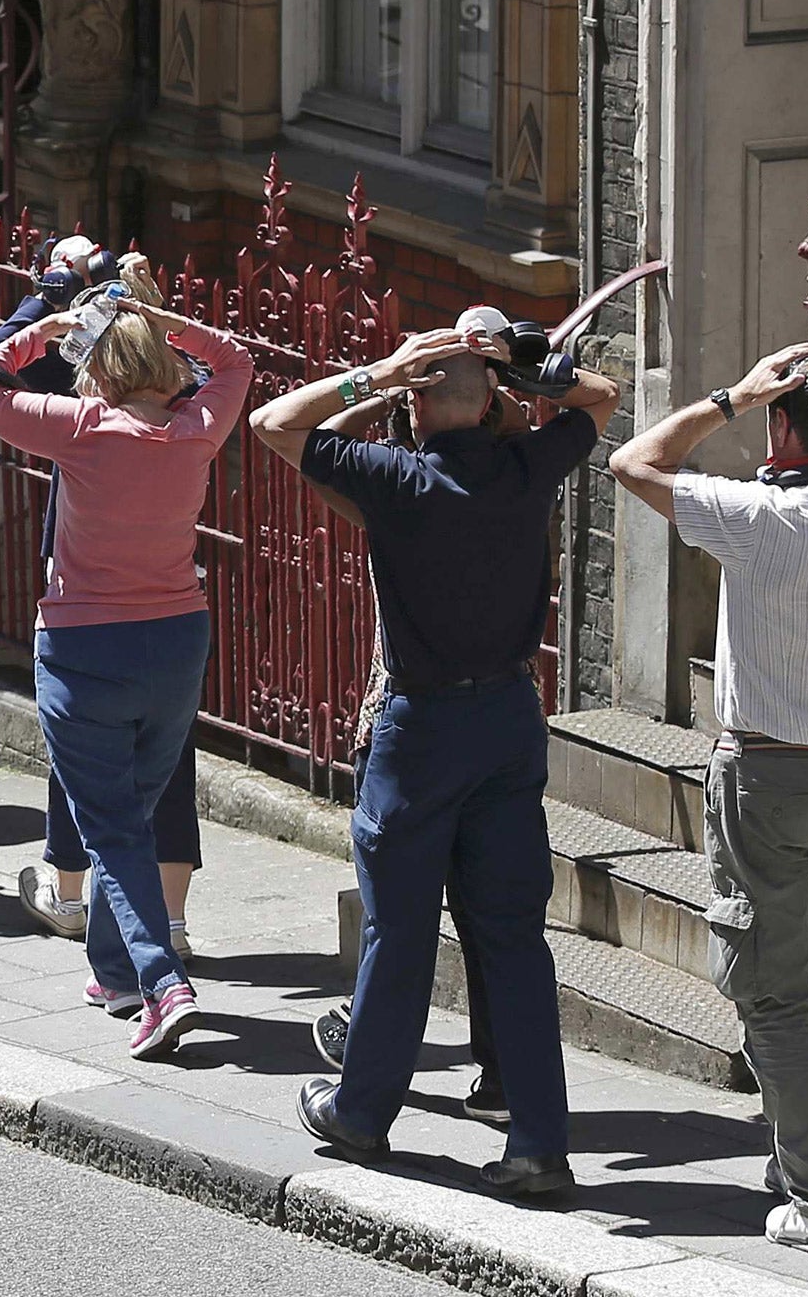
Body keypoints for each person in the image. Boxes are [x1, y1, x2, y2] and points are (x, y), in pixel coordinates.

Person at [249, 319, 621, 1197]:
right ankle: (537, 1142)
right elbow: (601, 398)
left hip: (420, 733)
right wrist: (512, 368)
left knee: (401, 930)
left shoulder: (397, 478)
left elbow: (274, 422)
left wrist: (379, 374)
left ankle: (363, 1111)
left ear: (414, 405)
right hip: (508, 718)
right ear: (491, 398)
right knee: (515, 940)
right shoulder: (531, 468)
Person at [610, 343, 808, 1255]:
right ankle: (799, 1157)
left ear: (781, 422)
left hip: (770, 776)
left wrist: (731, 396)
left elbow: (634, 461)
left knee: (766, 988)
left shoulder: (756, 516)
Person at [0, 294, 254, 1059]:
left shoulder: (80, 429)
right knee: (136, 813)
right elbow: (239, 360)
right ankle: (117, 972)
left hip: (87, 649)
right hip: (178, 640)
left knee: (111, 828)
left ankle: (163, 983)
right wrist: (163, 318)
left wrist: (36, 335)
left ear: (102, 369)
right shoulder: (196, 429)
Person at [6, 246, 205, 957]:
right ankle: (168, 925)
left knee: (86, 767)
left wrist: (47, 302)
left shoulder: (84, 409)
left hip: (88, 608)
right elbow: (221, 363)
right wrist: (151, 308)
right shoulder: (189, 400)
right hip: (171, 603)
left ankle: (72, 897)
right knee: (163, 762)